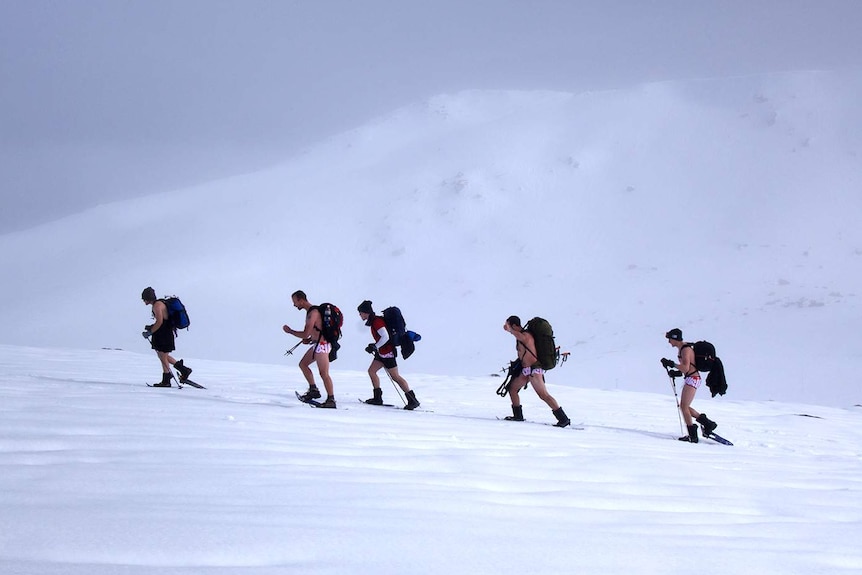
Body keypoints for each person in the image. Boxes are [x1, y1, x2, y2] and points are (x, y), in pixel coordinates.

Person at [502, 315, 570, 427]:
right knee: (512, 388)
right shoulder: (520, 336)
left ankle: (563, 419)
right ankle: (518, 416)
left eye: (509, 325)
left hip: (534, 369)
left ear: (514, 325)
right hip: (526, 370)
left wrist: (510, 330)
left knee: (543, 395)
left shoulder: (526, 335)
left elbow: (520, 337)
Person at [357, 300, 420, 410]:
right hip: (382, 352)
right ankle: (377, 398)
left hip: (387, 353)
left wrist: (375, 346)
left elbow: (385, 337)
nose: (360, 315)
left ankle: (412, 400)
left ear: (366, 312)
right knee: (372, 371)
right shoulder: (375, 321)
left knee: (395, 376)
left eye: (360, 312)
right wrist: (375, 347)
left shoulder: (376, 322)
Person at [663, 328, 718, 443]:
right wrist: (676, 372)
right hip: (691, 378)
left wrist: (672, 364)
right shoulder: (682, 349)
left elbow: (685, 368)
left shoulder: (685, 350)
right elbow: (686, 368)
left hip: (693, 379)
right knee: (684, 407)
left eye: (669, 339)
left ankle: (693, 436)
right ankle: (707, 423)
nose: (668, 342)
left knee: (683, 406)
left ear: (674, 338)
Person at [282, 290, 336, 408]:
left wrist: (290, 331)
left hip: (322, 346)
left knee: (324, 373)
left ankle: (331, 399)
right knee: (303, 364)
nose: (294, 305)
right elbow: (314, 332)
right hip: (317, 344)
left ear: (301, 300)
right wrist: (311, 339)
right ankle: (313, 390)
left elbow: (305, 334)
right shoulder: (311, 312)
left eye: (295, 302)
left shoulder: (313, 313)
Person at [141, 286, 192, 387]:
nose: (143, 301)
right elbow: (163, 320)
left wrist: (150, 332)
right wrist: (151, 327)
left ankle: (167, 378)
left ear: (147, 298)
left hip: (164, 333)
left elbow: (160, 322)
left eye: (144, 299)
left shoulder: (157, 306)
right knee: (162, 355)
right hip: (166, 332)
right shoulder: (160, 303)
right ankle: (183, 370)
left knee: (162, 356)